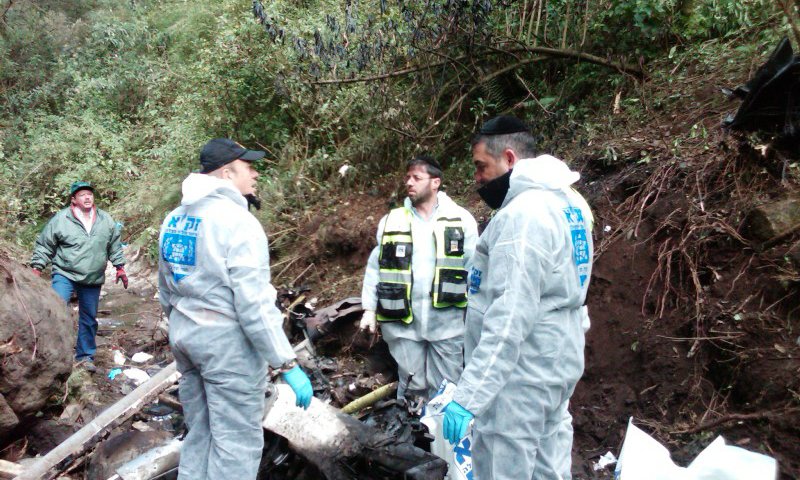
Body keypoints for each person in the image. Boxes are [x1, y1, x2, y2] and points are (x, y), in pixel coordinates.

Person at [442, 116, 594, 480]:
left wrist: (470, 396)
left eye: (481, 166)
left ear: (509, 158)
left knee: (502, 468)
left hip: (518, 380)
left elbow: (509, 317)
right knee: (548, 467)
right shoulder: (569, 203)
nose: (477, 178)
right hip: (556, 362)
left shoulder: (522, 216)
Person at [157, 138, 313, 480]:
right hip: (228, 350)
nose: (255, 174)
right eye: (249, 167)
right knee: (236, 445)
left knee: (200, 435)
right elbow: (253, 304)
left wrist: (184, 329)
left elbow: (165, 290)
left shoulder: (174, 219)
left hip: (186, 340)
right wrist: (286, 363)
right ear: (227, 173)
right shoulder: (237, 222)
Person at [360, 155, 478, 400]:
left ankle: (442, 437)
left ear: (435, 182)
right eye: (407, 178)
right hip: (403, 326)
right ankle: (412, 435)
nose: (409, 183)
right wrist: (369, 309)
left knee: (447, 388)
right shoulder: (392, 221)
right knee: (412, 386)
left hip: (447, 324)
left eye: (416, 177)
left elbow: (474, 268)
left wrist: (479, 313)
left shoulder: (461, 220)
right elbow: (376, 268)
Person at [30, 181, 128, 372]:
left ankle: (85, 357)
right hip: (64, 272)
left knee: (89, 318)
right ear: (73, 200)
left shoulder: (105, 220)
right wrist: (37, 268)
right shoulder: (61, 219)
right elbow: (45, 245)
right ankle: (55, 354)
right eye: (82, 195)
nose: (87, 197)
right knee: (56, 311)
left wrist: (120, 267)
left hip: (92, 276)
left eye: (89, 194)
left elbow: (114, 245)